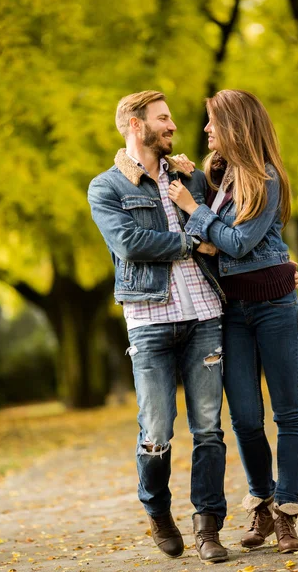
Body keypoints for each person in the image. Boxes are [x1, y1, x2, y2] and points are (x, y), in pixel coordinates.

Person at [87, 90, 229, 563]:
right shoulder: (106, 187)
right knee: (157, 429)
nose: (172, 126)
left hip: (204, 314)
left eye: (170, 118)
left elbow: (219, 228)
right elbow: (129, 243)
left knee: (208, 427)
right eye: (162, 119)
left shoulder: (190, 177)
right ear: (134, 123)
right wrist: (189, 244)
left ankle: (208, 527)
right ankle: (158, 511)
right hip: (148, 321)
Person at [168, 89, 298, 555]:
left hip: (276, 308)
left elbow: (239, 242)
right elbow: (210, 240)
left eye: (211, 122)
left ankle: (287, 512)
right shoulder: (216, 174)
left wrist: (195, 211)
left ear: (234, 126)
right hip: (232, 311)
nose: (206, 131)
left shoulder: (266, 177)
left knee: (287, 413)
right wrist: (206, 220)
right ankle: (262, 506)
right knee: (246, 417)